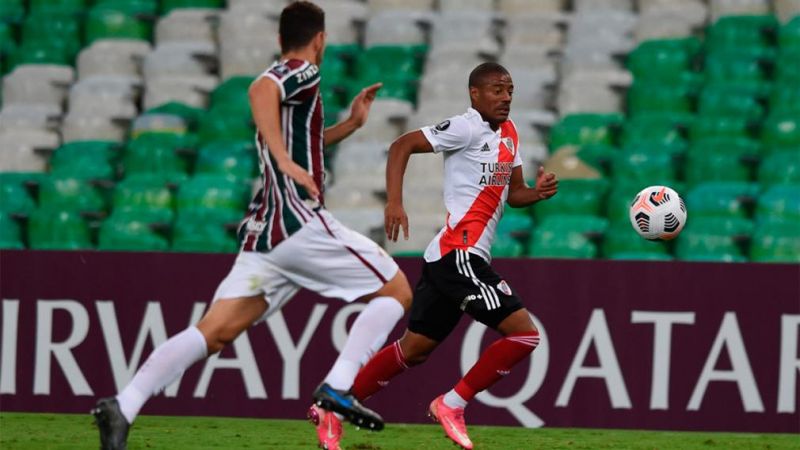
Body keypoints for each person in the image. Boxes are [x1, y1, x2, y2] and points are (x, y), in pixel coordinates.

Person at [92, 2, 413, 449]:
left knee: (214, 332)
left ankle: (122, 406)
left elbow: (303, 145)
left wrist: (351, 126)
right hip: (298, 223)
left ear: (280, 38)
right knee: (396, 290)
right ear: (320, 39)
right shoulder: (302, 71)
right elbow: (260, 90)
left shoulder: (291, 92)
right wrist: (284, 161)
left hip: (266, 237)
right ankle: (339, 385)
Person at [309, 62, 558, 450]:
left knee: (414, 350)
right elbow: (401, 145)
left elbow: (515, 194)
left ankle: (332, 408)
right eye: (497, 90)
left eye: (509, 90)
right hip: (459, 255)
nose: (506, 97)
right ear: (475, 94)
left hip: (450, 258)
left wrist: (537, 193)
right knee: (524, 334)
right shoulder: (464, 127)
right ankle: (452, 404)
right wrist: (394, 202)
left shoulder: (509, 133)